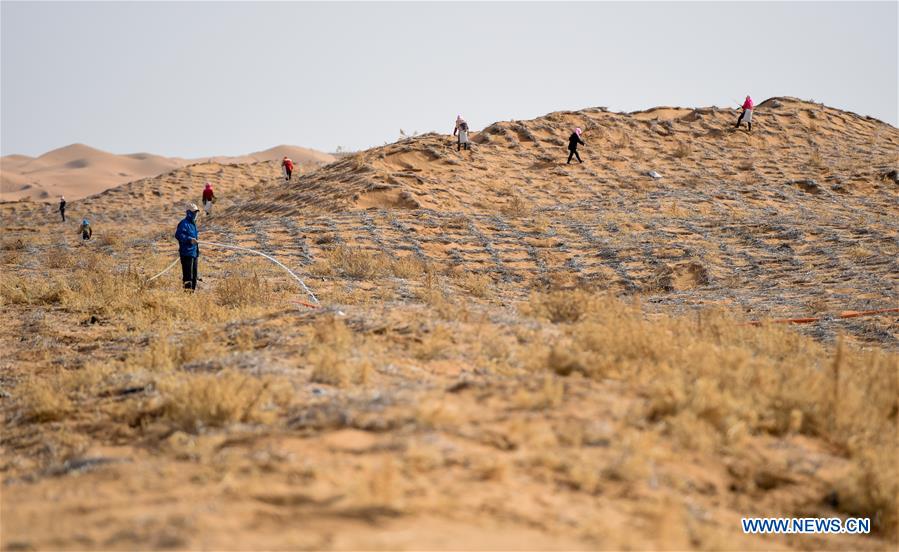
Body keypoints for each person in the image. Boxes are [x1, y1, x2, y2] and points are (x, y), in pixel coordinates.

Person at [175, 203, 200, 291]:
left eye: (196, 212)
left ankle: (192, 294)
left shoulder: (193, 224)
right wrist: (189, 239)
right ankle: (187, 294)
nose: (196, 214)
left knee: (194, 275)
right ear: (188, 212)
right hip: (186, 254)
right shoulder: (184, 223)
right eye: (194, 212)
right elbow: (178, 235)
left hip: (194, 253)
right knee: (188, 276)